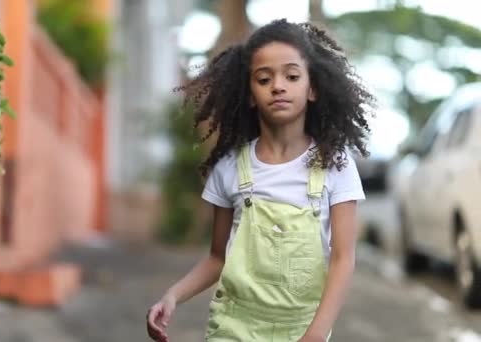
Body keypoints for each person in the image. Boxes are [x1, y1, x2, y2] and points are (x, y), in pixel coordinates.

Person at [146, 18, 373, 342]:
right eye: (264, 79)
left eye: (291, 76)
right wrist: (172, 296)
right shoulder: (230, 169)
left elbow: (343, 258)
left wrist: (317, 332)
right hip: (233, 327)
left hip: (303, 329)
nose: (278, 85)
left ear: (312, 88)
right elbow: (217, 257)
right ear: (250, 94)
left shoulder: (334, 165)